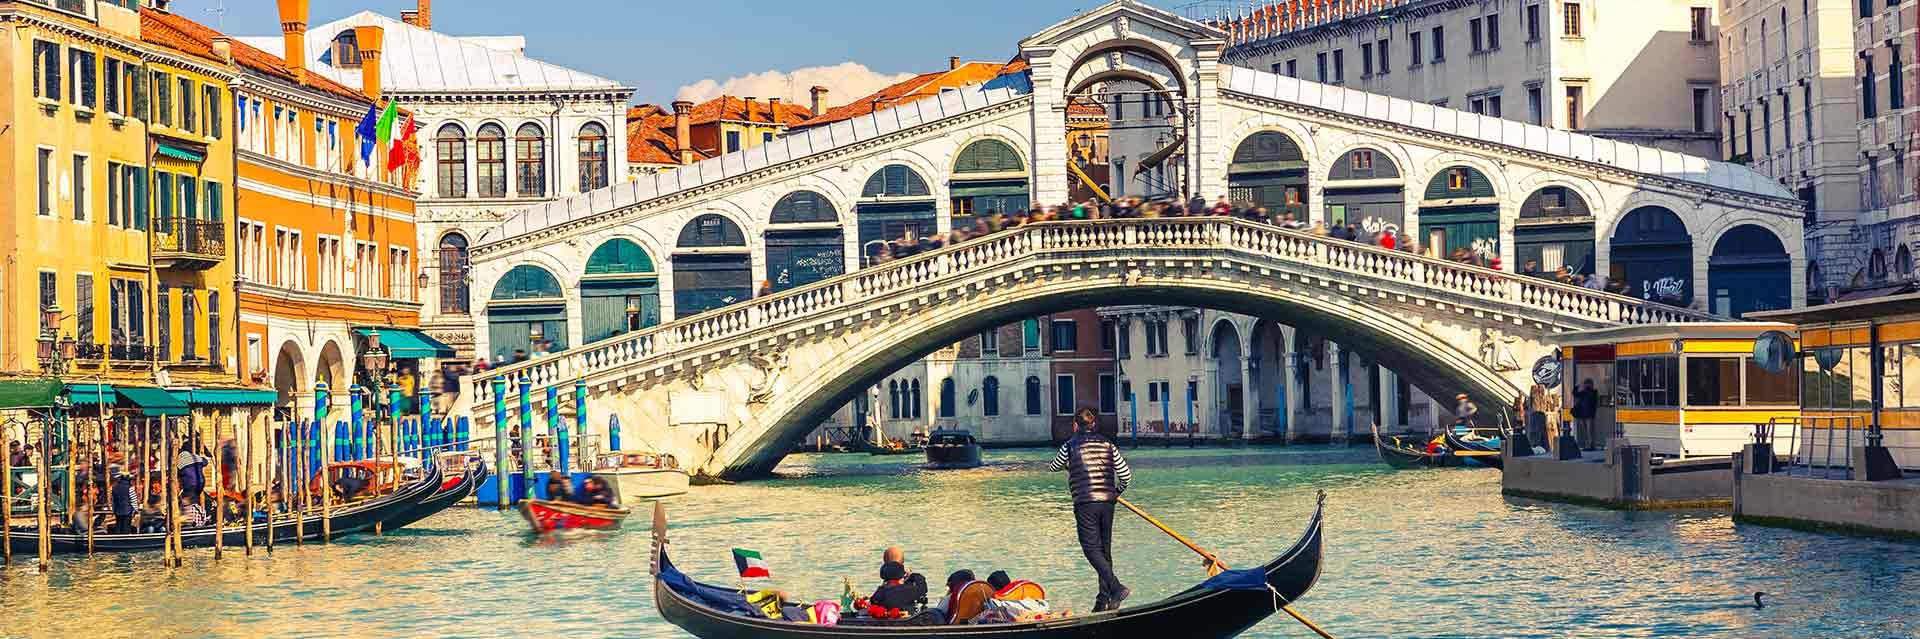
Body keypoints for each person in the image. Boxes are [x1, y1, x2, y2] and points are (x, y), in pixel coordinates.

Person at [1047, 407, 1132, 612]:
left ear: (1075, 425)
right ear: (1093, 424)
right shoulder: (1108, 444)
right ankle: (1103, 601)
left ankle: (1116, 587)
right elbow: (1126, 475)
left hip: (1085, 503)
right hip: (1107, 503)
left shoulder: (1069, 445)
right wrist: (1116, 492)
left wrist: (1068, 465)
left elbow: (1053, 466)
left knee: (1091, 549)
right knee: (1104, 551)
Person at [1572, 379, 1600, 450]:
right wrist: (1578, 386)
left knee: (1589, 430)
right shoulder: (1585, 392)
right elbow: (1575, 394)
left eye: (1587, 384)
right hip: (1584, 414)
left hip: (1588, 414)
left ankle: (1590, 444)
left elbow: (1593, 402)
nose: (1586, 385)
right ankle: (1588, 444)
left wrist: (1581, 387)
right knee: (1586, 430)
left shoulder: (1592, 392)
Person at [110, 469, 135, 534]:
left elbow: (113, 501)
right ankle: (125, 541)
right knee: (126, 528)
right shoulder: (130, 488)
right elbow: (133, 501)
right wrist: (135, 510)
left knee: (118, 526)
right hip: (128, 511)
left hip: (117, 511)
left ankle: (118, 540)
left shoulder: (114, 488)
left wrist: (113, 510)